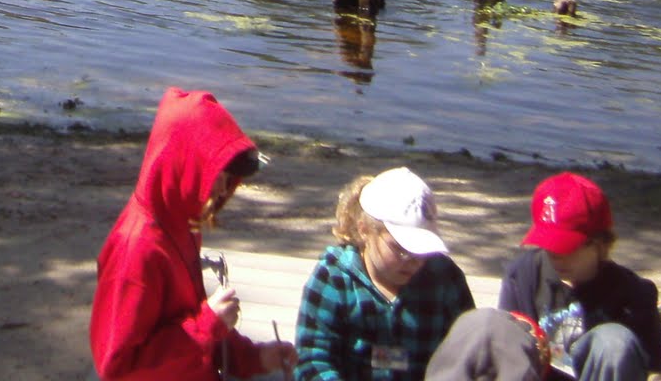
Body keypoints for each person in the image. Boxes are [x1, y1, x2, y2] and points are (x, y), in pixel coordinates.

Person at [90, 87, 295, 380]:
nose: (224, 189)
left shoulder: (180, 223)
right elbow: (118, 368)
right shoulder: (135, 251)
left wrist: (253, 357)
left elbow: (190, 321)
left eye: (228, 178)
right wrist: (208, 323)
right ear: (183, 167)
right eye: (216, 176)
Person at [295, 166, 476, 381]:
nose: (413, 260)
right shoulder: (334, 277)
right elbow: (312, 359)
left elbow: (468, 353)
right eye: (399, 248)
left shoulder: (445, 279)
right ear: (364, 230)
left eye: (421, 250)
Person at [497, 172, 661, 381]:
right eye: (548, 247)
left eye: (565, 248)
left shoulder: (633, 294)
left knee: (614, 341)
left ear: (600, 244)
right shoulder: (522, 275)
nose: (556, 257)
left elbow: (655, 370)